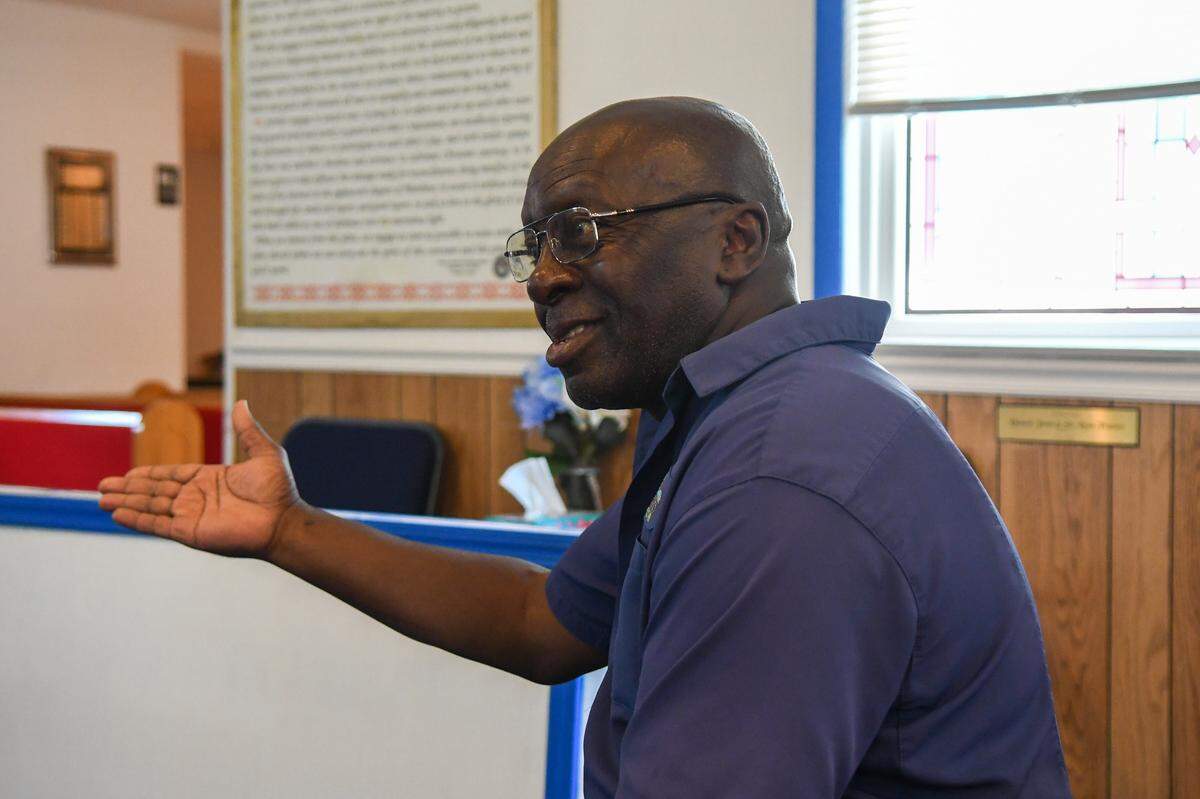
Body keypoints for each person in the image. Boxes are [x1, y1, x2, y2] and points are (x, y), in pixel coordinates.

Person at [99, 97, 1072, 797]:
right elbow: (543, 622)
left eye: (581, 230)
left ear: (737, 240)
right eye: (535, 245)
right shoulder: (730, 414)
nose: (544, 277)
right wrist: (290, 530)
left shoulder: (783, 479)